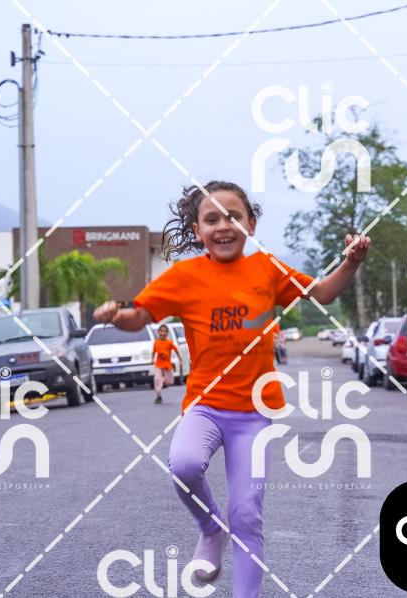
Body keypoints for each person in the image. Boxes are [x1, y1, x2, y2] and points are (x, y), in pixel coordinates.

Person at [93, 181, 369, 598]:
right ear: (197, 230)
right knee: (184, 465)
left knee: (247, 515)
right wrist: (117, 315)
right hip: (204, 405)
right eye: (212, 219)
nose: (223, 226)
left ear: (250, 224)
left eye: (233, 216)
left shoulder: (267, 270)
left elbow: (323, 294)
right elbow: (141, 316)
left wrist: (351, 262)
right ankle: (210, 529)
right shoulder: (183, 276)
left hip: (254, 414)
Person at [152, 324, 181, 404]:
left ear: (167, 333)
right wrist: (152, 359)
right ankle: (158, 396)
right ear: (158, 332)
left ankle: (163, 381)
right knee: (157, 380)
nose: (163, 333)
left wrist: (180, 360)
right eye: (161, 331)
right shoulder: (156, 342)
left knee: (170, 381)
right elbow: (153, 352)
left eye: (165, 331)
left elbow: (176, 350)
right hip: (159, 365)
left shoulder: (169, 342)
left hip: (167, 365)